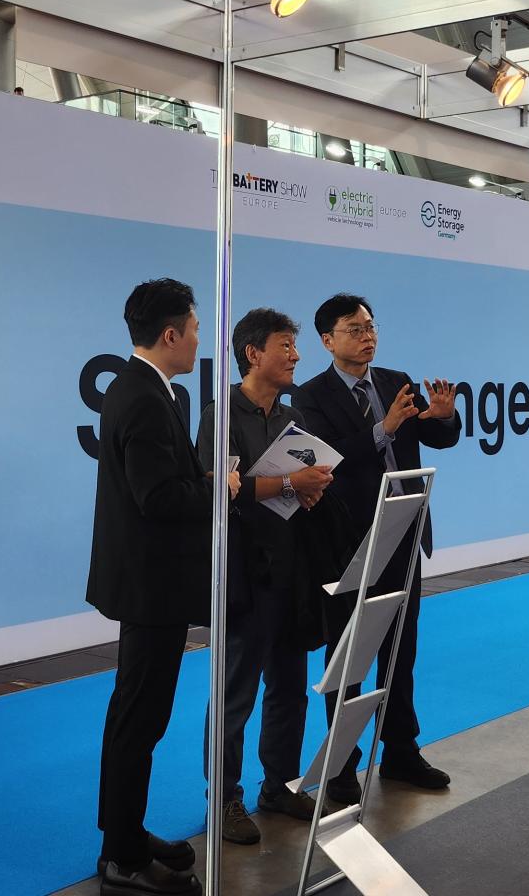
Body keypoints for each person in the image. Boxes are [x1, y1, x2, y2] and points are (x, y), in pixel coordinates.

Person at [87, 279, 239, 896]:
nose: (201, 340)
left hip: (150, 583)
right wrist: (218, 488)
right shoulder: (146, 398)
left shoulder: (144, 389)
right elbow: (158, 498)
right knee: (138, 720)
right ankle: (122, 856)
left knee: (138, 717)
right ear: (171, 334)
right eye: (196, 329)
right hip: (151, 587)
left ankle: (124, 834)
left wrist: (202, 480)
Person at [291, 293, 461, 802]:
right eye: (354, 329)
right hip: (346, 543)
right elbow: (328, 460)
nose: (367, 336)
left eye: (370, 327)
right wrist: (383, 429)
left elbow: (435, 438)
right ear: (328, 340)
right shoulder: (310, 396)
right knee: (348, 655)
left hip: (403, 532)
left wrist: (443, 417)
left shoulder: (394, 380)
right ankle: (341, 765)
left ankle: (401, 751)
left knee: (400, 650)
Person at [195, 309, 334, 844]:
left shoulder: (292, 417)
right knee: (235, 693)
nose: (296, 355)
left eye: (295, 346)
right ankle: (225, 799)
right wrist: (290, 483)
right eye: (285, 346)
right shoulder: (221, 415)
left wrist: (309, 489)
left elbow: (296, 487)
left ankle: (278, 785)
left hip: (291, 571)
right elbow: (219, 491)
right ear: (253, 353)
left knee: (290, 688)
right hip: (243, 574)